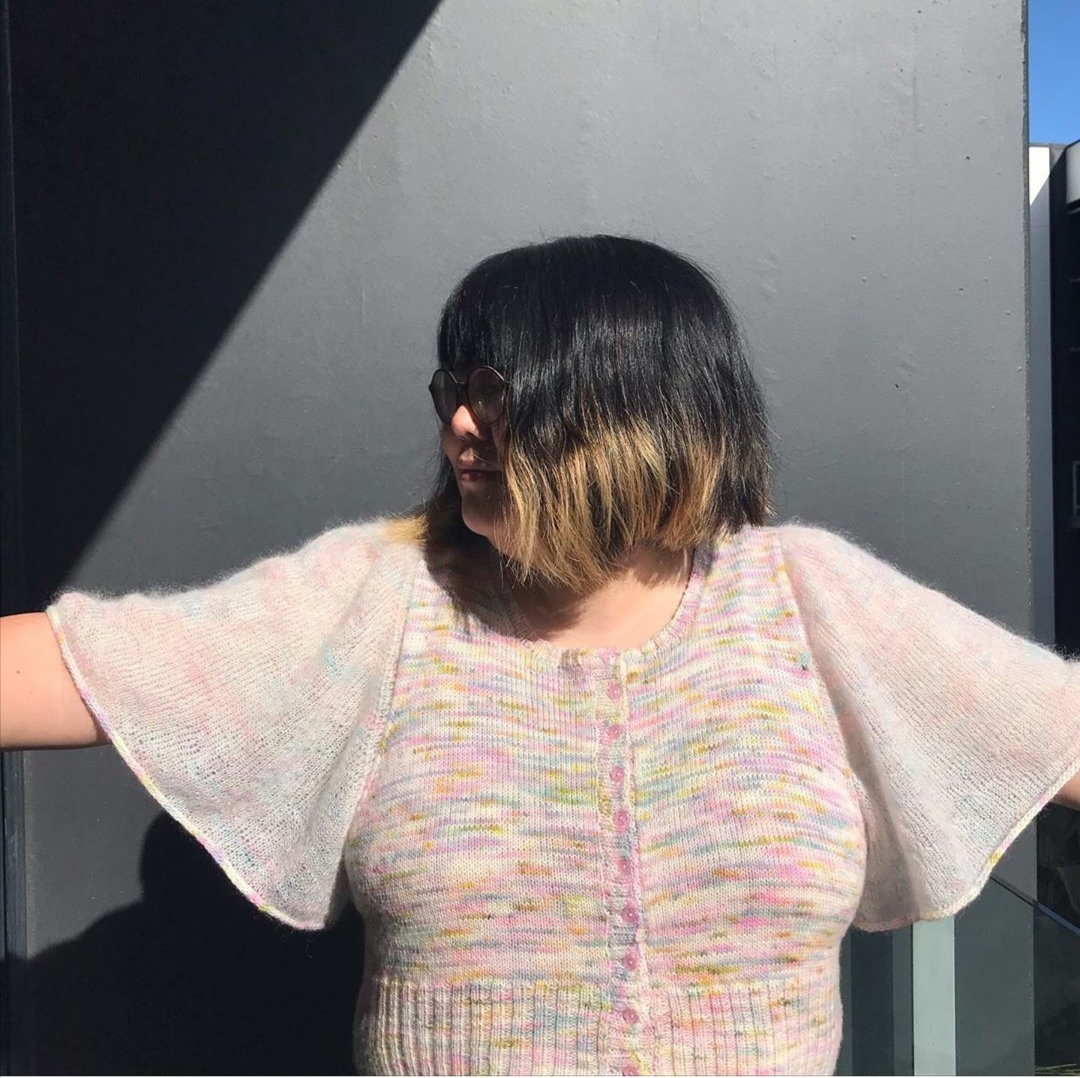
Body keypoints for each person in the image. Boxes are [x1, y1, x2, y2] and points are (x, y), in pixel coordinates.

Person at [2, 233, 1078, 1077]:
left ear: (640, 406)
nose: (460, 426)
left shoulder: (807, 600)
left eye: (497, 390)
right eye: (452, 392)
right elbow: (75, 667)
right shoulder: (388, 599)